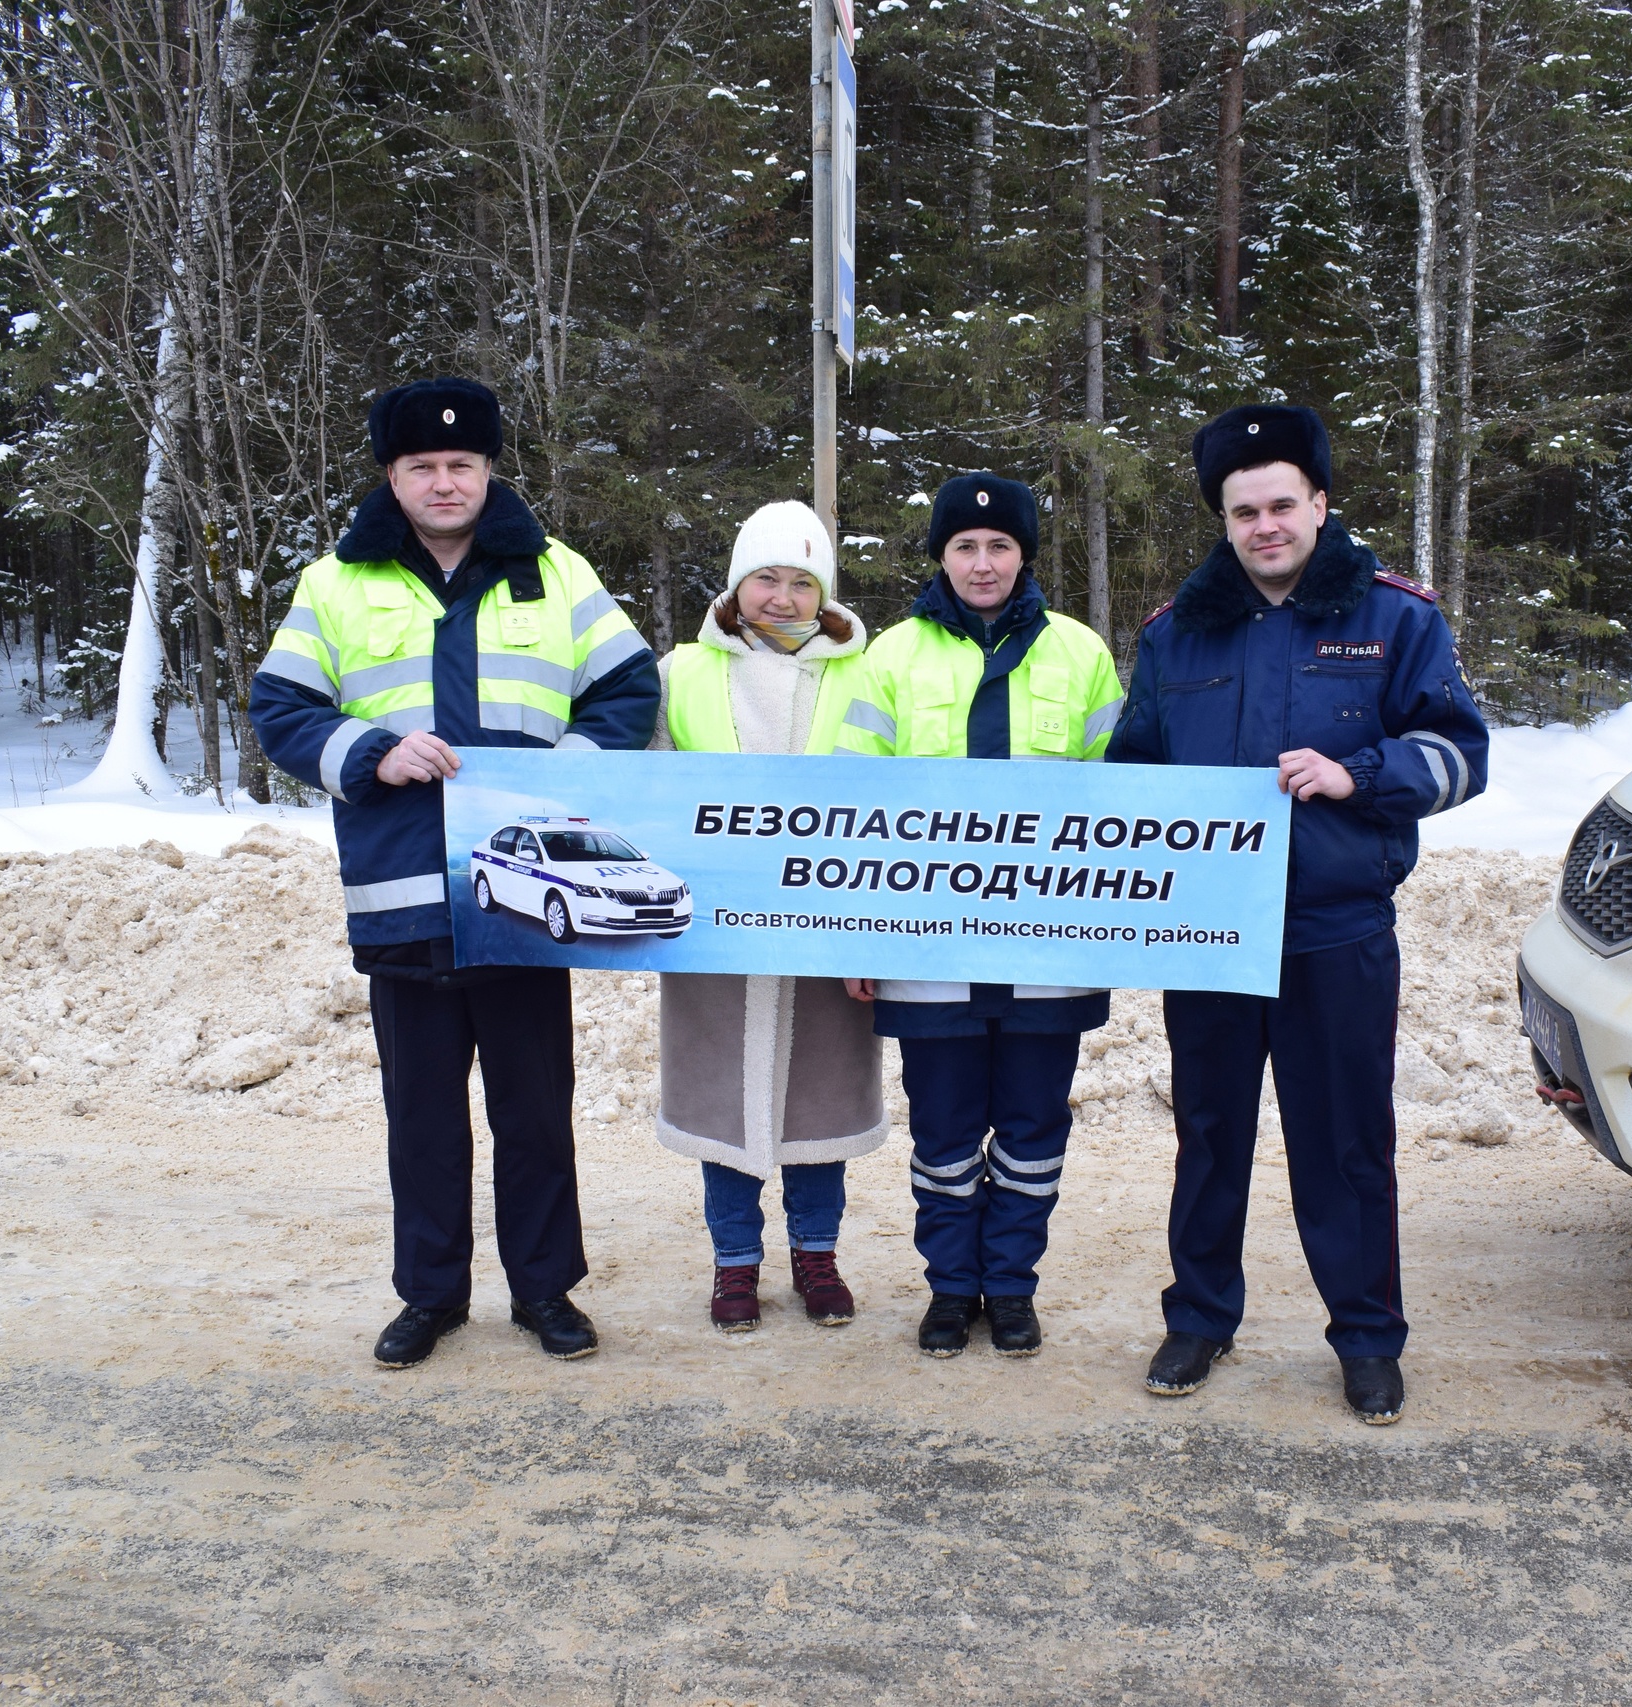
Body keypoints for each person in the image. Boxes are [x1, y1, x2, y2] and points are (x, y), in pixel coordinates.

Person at [249, 376, 659, 1370]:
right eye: (422, 466)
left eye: (460, 465)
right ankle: (430, 1296)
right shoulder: (335, 583)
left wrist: (567, 775)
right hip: (404, 899)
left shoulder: (554, 574)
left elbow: (629, 687)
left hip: (522, 897)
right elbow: (281, 710)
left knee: (534, 1113)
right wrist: (368, 752)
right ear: (392, 474)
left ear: (487, 470)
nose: (443, 483)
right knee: (422, 1121)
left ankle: (543, 1291)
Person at [1107, 405, 1489, 1424]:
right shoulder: (1174, 633)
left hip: (1337, 929)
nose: (1264, 525)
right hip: (1210, 937)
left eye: (1282, 504)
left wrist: (1358, 773)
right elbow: (1130, 780)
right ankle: (1198, 1317)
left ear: (1319, 505)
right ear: (1222, 521)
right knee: (1209, 1134)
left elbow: (1460, 754)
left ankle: (1366, 1337)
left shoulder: (1395, 620)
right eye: (1243, 511)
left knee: (1346, 1144)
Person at [832, 473, 1125, 1358]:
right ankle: (951, 1288)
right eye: (965, 545)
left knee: (1035, 1130)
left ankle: (1013, 1284)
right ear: (941, 555)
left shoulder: (1081, 653)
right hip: (926, 951)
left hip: (1050, 951)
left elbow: (1126, 798)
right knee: (946, 1130)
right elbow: (850, 803)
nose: (984, 562)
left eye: (1000, 546)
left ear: (1025, 554)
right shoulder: (890, 656)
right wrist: (857, 930)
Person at [650, 500, 887, 1332]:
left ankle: (816, 1256)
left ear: (823, 594)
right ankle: (735, 1263)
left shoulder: (866, 672)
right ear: (736, 583)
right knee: (726, 1105)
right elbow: (647, 790)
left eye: (800, 582)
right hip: (714, 929)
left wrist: (869, 926)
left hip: (827, 926)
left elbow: (890, 803)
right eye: (765, 578)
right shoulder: (680, 670)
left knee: (816, 1109)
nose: (782, 597)